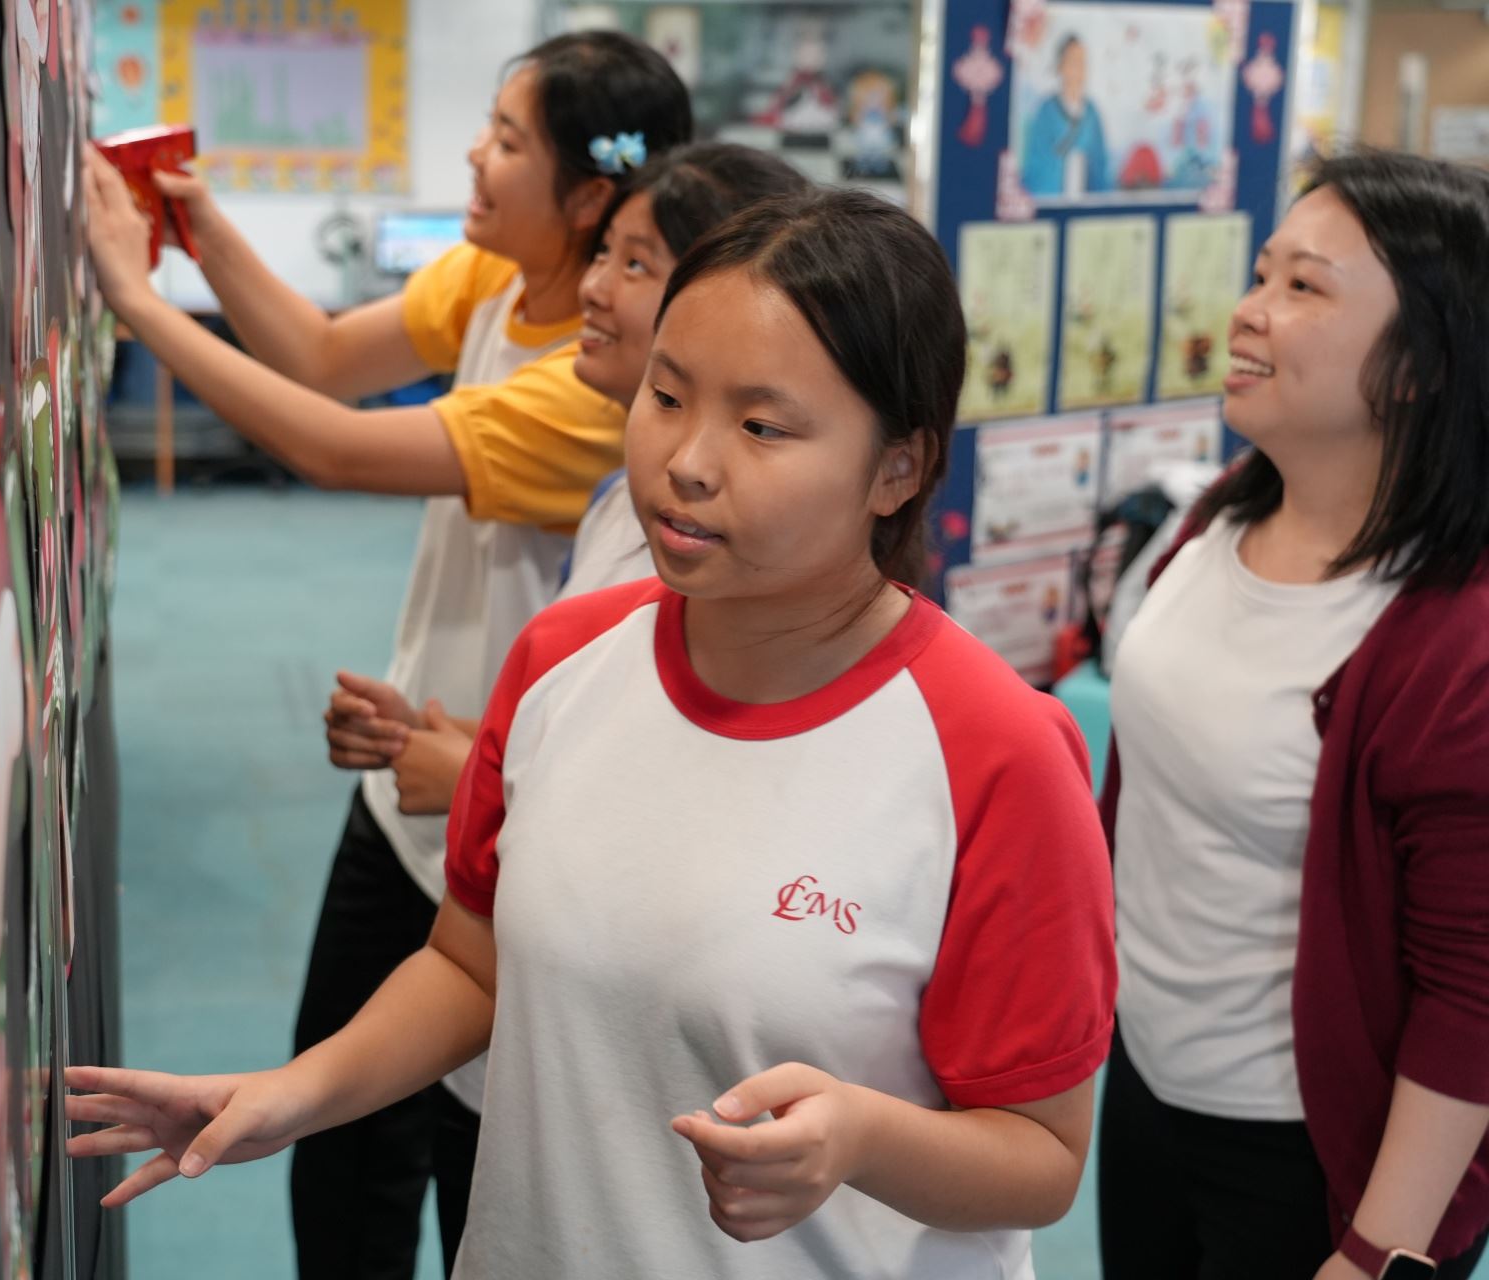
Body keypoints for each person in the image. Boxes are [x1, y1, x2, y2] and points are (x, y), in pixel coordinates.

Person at [65, 189, 1118, 1279]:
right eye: (667, 395)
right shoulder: (560, 658)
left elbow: (1041, 1155)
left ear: (897, 467)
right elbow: (471, 967)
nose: (688, 459)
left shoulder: (996, 750)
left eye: (761, 427)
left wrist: (859, 1138)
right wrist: (292, 1094)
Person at [84, 31, 692, 1278]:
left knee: (471, 1169)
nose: (474, 155)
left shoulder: (599, 394)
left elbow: (335, 445)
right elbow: (321, 356)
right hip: (412, 788)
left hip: (506, 826)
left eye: (507, 139)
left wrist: (140, 304)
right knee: (339, 1160)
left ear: (589, 193)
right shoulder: (495, 277)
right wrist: (193, 229)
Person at [1095, 151, 1489, 1279]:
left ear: (1421, 364)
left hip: (1309, 1151)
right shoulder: (1224, 514)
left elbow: (1472, 993)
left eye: (1304, 286)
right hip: (1146, 1083)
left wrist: (1373, 1252)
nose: (1249, 309)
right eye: (1262, 272)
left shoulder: (1454, 640)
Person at [323, 142, 811, 818]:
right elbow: (582, 723)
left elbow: (696, 793)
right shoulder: (616, 503)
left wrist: (476, 780)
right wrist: (439, 738)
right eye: (602, 254)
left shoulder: (748, 558)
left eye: (635, 264)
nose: (593, 287)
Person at [1020, 34, 1109, 197]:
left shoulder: (1092, 113)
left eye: (1083, 62)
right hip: (1053, 198)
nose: (1079, 69)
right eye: (1074, 61)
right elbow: (1037, 163)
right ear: (1061, 66)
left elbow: (1100, 163)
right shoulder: (1046, 112)